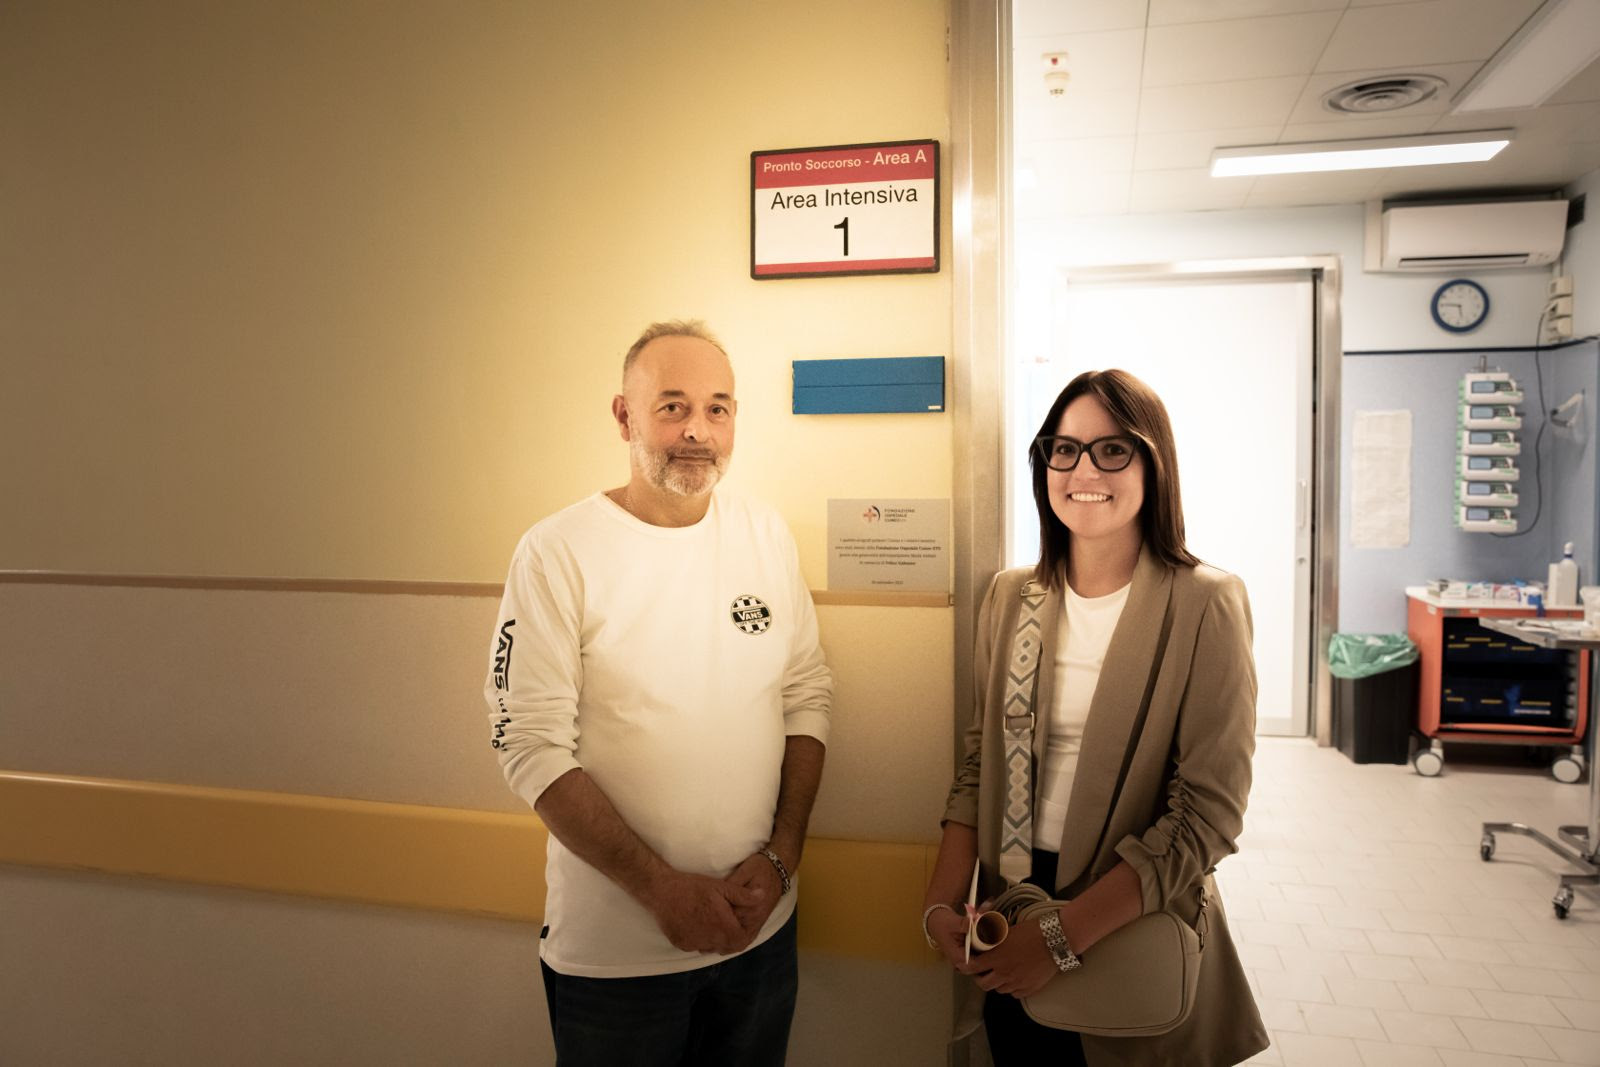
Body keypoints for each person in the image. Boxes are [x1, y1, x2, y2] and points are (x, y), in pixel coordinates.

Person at [484, 319, 833, 1066]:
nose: (697, 431)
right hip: (616, 964)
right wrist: (660, 889)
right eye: (672, 406)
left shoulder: (765, 535)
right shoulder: (556, 552)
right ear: (625, 417)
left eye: (717, 408)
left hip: (761, 937)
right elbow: (528, 743)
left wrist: (783, 857)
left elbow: (806, 696)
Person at [922, 369, 1267, 1066]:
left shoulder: (1203, 603)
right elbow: (981, 762)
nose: (1084, 470)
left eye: (1113, 450)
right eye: (1064, 449)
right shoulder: (1012, 597)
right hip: (1009, 907)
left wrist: (1061, 937)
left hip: (1124, 908)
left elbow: (1208, 814)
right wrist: (940, 902)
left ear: (1153, 465)